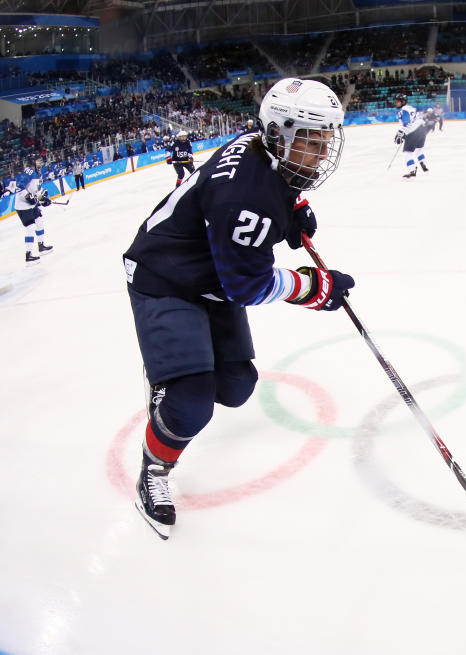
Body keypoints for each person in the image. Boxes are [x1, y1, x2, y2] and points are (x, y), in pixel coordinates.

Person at [122, 78, 355, 539]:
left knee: (235, 386)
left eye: (327, 137)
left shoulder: (259, 147)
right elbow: (249, 285)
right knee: (190, 404)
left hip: (211, 277)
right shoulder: (244, 198)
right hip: (165, 279)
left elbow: (270, 190)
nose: (324, 148)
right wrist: (316, 288)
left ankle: (173, 374)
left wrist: (293, 206)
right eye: (314, 139)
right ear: (280, 133)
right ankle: (154, 470)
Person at [13, 177, 53, 264]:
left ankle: (41, 246)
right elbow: (30, 199)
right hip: (23, 207)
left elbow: (36, 194)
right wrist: (40, 200)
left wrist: (43, 200)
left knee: (39, 221)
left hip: (31, 206)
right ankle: (28, 255)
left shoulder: (34, 177)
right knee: (31, 227)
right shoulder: (25, 179)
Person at [393, 93, 430, 179]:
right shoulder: (411, 108)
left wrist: (400, 134)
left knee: (407, 153)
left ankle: (412, 171)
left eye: (398, 101)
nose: (396, 103)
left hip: (413, 132)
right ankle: (423, 164)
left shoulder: (403, 110)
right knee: (419, 150)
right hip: (422, 130)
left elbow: (407, 124)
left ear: (403, 102)